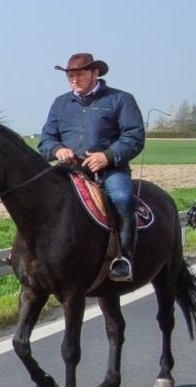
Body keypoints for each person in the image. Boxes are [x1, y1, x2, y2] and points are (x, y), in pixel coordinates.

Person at [38, 52, 146, 281]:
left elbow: (134, 136)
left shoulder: (121, 99)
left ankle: (124, 259)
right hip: (69, 170)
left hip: (109, 170)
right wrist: (57, 150)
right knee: (39, 199)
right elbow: (46, 138)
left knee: (122, 199)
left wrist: (108, 156)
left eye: (79, 75)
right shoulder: (60, 103)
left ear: (95, 73)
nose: (74, 80)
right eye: (70, 76)